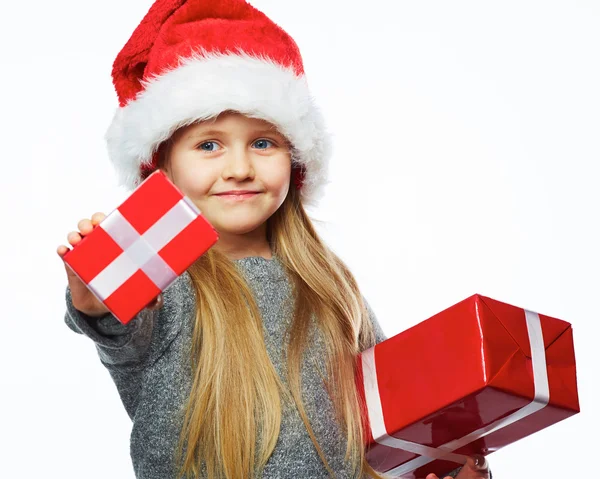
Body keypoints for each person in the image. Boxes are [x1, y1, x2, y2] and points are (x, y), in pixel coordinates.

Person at [56, 1, 492, 478]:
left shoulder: (333, 290)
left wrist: (440, 466)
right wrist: (95, 291)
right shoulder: (164, 289)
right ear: (162, 165)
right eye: (208, 145)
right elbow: (115, 326)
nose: (240, 168)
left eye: (263, 143)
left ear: (296, 160)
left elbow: (388, 428)